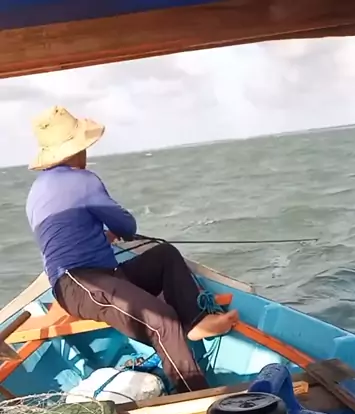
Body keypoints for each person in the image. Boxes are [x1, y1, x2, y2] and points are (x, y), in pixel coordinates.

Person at [26, 106, 238, 392]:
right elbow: (126, 226)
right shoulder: (83, 180)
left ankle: (197, 321)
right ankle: (196, 395)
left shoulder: (36, 192)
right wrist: (113, 231)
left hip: (92, 279)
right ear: (77, 149)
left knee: (163, 255)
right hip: (80, 284)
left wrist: (97, 235)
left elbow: (63, 235)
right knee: (163, 321)